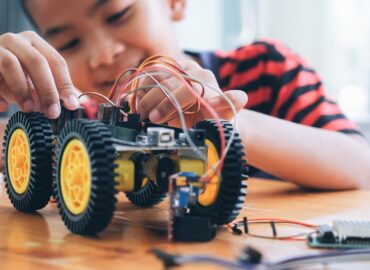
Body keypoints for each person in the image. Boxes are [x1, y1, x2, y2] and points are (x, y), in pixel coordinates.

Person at [0, 0, 369, 190]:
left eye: (119, 14)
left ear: (174, 2)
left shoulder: (266, 70)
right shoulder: (84, 121)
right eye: (69, 42)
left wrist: (222, 121)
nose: (102, 54)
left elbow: (361, 166)